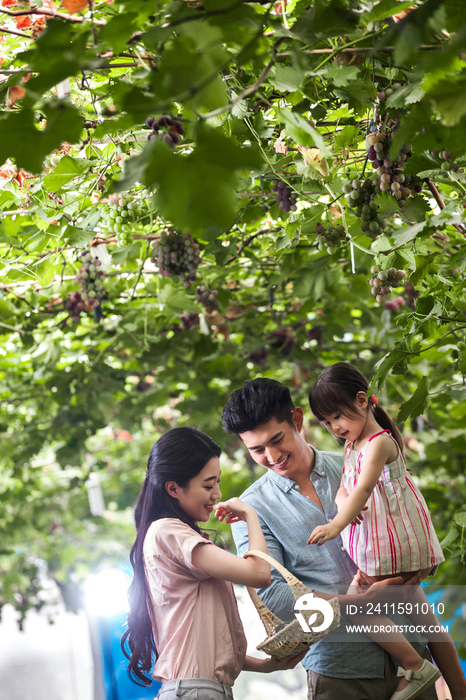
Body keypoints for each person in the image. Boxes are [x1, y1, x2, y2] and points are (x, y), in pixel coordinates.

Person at [221, 377, 441, 700]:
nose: (271, 455)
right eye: (257, 450)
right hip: (339, 671)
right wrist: (357, 604)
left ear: (297, 420)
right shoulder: (251, 509)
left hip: (412, 664)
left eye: (277, 439)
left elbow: (408, 531)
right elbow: (278, 600)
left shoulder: (360, 460)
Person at [307, 362, 466, 700]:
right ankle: (454, 687)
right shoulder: (351, 447)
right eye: (327, 421)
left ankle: (415, 669)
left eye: (338, 416)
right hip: (385, 546)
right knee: (427, 624)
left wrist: (337, 525)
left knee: (358, 608)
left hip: (397, 545)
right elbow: (346, 490)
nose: (335, 426)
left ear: (363, 400)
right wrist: (342, 504)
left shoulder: (379, 443)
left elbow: (363, 489)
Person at [121, 426, 305, 700]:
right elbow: (260, 573)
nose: (217, 494)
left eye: (217, 482)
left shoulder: (171, 535)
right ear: (173, 488)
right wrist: (251, 516)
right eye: (208, 485)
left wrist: (265, 666)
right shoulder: (169, 532)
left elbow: (202, 641)